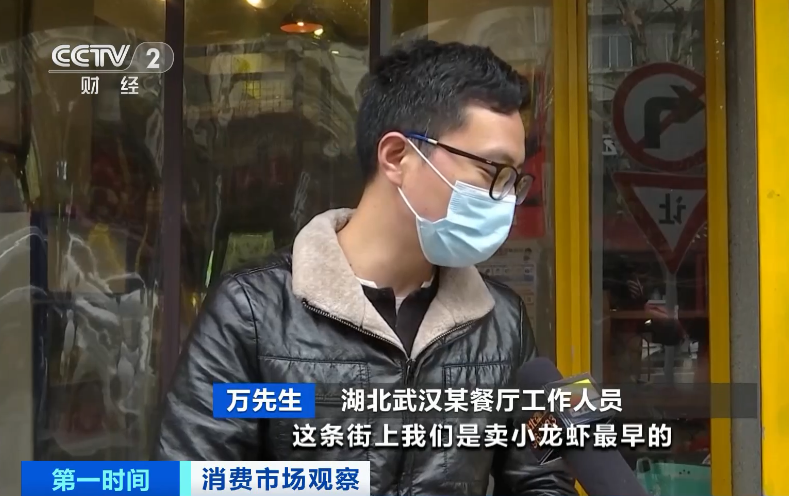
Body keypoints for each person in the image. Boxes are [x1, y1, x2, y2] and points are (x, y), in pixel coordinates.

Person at [154, 40, 578, 496]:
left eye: (514, 178)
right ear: (397, 157)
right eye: (493, 170)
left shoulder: (502, 321)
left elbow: (542, 478)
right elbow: (191, 480)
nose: (506, 198)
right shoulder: (253, 311)